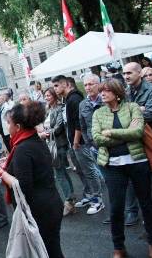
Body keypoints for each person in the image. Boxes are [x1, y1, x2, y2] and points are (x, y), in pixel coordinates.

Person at [92, 79, 152, 258]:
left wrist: (111, 133)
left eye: (106, 90)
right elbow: (97, 138)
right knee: (115, 207)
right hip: (112, 166)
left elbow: (137, 132)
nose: (103, 94)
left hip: (137, 162)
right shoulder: (98, 113)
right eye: (102, 91)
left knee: (146, 204)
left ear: (117, 92)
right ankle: (118, 247)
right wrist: (125, 134)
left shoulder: (132, 107)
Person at [0, 102, 64, 258]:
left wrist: (0, 172)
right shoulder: (32, 140)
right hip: (49, 204)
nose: (7, 127)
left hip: (40, 210)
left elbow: (22, 186)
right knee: (52, 249)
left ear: (17, 126)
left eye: (8, 124)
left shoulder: (23, 147)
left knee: (49, 251)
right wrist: (8, 166)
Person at [124, 62, 152, 224]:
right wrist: (137, 109)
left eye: (130, 73)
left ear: (139, 73)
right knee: (147, 182)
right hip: (137, 141)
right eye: (124, 73)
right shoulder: (127, 92)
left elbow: (150, 114)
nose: (126, 76)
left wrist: (132, 111)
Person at [52, 75, 89, 208]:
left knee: (87, 170)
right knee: (80, 170)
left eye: (56, 85)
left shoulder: (74, 98)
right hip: (73, 142)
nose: (54, 89)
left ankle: (96, 199)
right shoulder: (68, 99)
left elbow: (78, 123)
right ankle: (89, 195)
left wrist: (75, 141)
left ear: (65, 84)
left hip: (79, 142)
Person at [43, 87, 76, 216]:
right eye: (45, 96)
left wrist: (45, 133)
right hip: (51, 145)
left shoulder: (59, 109)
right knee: (62, 173)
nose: (47, 98)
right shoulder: (48, 110)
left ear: (54, 96)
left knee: (60, 174)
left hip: (59, 145)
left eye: (49, 95)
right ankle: (71, 199)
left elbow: (58, 128)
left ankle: (68, 202)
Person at [76, 74, 105, 214]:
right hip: (94, 147)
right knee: (98, 175)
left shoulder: (106, 100)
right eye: (86, 85)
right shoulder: (82, 104)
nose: (88, 87)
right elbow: (83, 126)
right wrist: (89, 143)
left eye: (91, 84)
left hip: (112, 144)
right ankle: (98, 201)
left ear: (98, 85)